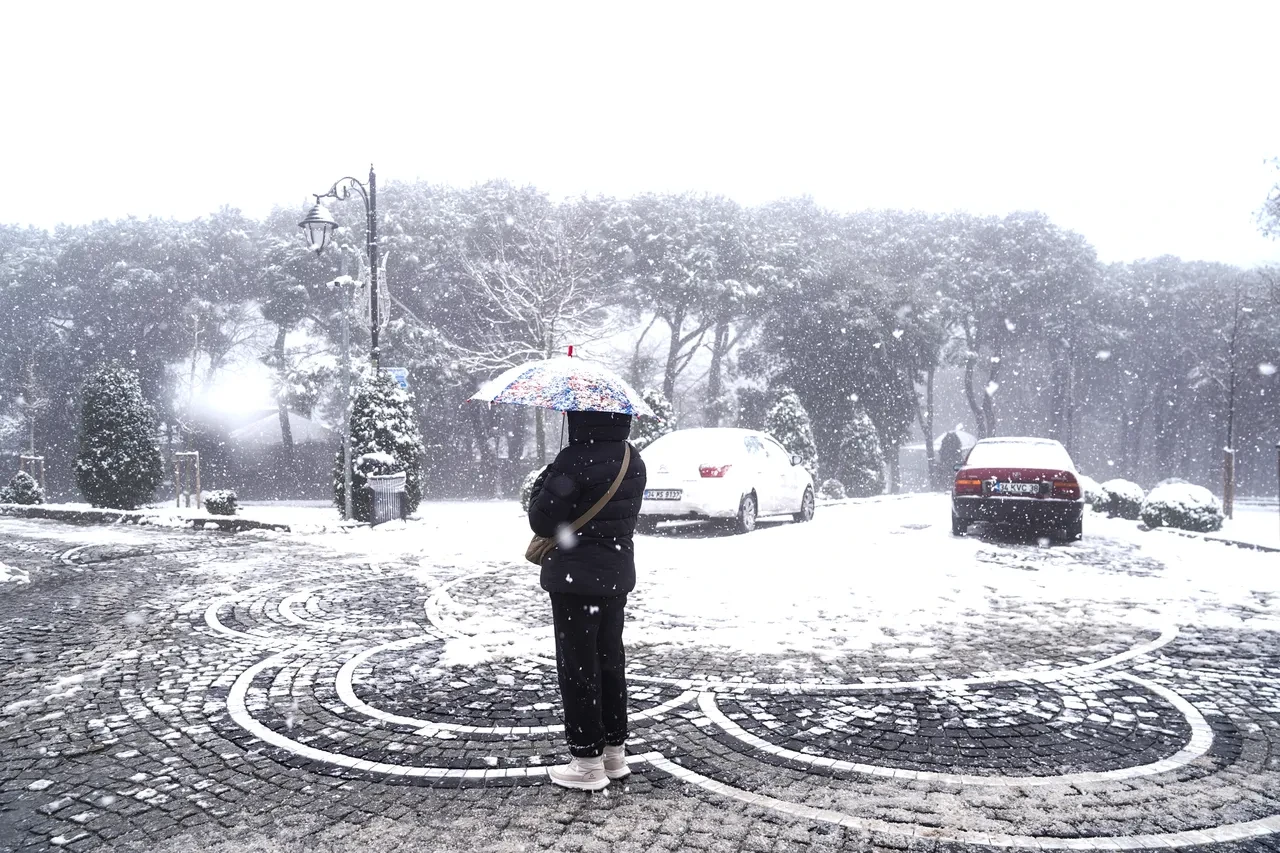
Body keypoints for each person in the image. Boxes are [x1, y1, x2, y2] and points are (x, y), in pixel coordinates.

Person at [527, 410, 647, 791]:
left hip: (575, 579)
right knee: (610, 662)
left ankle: (586, 763)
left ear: (579, 418)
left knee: (579, 666)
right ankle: (614, 753)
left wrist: (546, 480)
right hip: (615, 575)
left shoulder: (573, 459)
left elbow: (542, 522)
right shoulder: (633, 458)